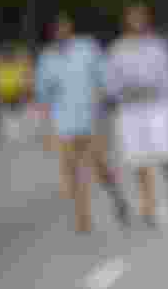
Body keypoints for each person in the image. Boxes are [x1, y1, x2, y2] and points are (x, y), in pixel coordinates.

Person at [35, 13, 130, 233]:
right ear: (51, 33)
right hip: (64, 124)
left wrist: (104, 99)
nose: (61, 32)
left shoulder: (87, 48)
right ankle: (83, 217)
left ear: (70, 28)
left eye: (64, 27)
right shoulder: (46, 59)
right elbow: (43, 97)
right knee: (71, 170)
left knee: (99, 166)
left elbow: (104, 78)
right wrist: (47, 130)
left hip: (91, 119)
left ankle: (115, 194)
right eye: (56, 29)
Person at [105, 3, 168, 228]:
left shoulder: (157, 46)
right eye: (133, 19)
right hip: (131, 109)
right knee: (138, 157)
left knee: (164, 151)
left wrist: (159, 91)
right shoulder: (117, 50)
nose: (137, 23)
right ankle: (148, 203)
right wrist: (124, 92)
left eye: (140, 18)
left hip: (155, 105)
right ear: (126, 22)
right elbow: (111, 83)